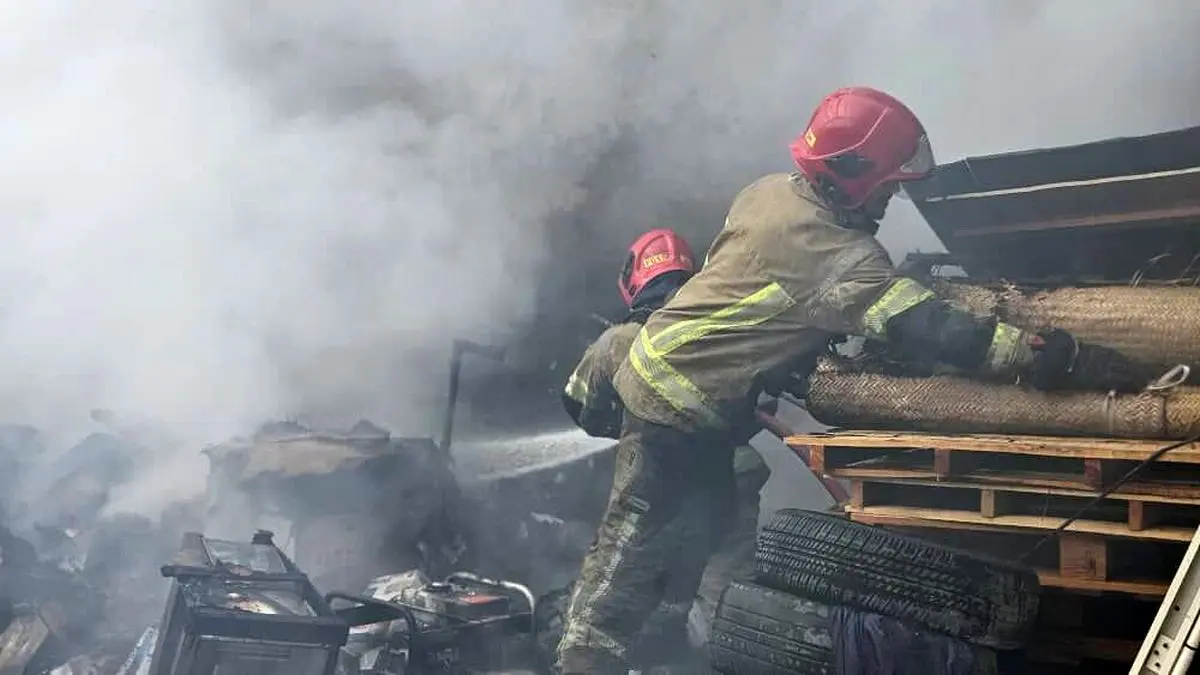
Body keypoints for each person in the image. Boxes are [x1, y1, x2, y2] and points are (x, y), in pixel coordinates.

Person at [556, 86, 1153, 674]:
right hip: (674, 407)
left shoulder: (766, 194)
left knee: (699, 537)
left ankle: (659, 656)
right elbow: (929, 327)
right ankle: (582, 661)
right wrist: (1047, 356)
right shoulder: (833, 256)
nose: (893, 196)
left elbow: (761, 292)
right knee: (632, 548)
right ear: (851, 172)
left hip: (688, 392)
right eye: (889, 182)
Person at [560, 228, 769, 672]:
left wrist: (624, 414)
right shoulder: (725, 334)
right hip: (733, 476)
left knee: (605, 605)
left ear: (632, 281)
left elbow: (579, 404)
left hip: (656, 481)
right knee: (724, 604)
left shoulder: (620, 341)